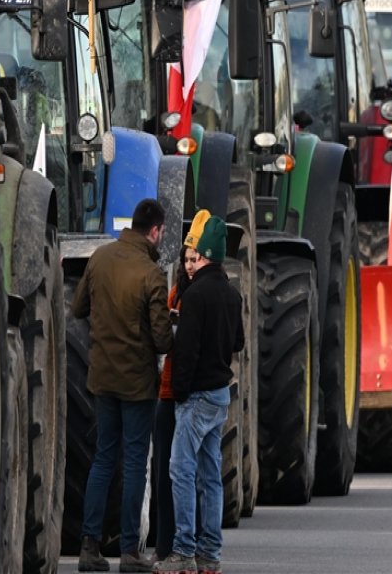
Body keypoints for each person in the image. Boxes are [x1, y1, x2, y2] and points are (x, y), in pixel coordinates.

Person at [72, 199, 174, 573]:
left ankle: (89, 546)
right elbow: (162, 340)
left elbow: (78, 307)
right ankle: (130, 551)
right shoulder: (151, 274)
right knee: (134, 464)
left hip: (102, 378)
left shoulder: (99, 258)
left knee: (102, 458)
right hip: (137, 385)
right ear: (155, 231)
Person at [153, 216, 244, 574]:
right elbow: (237, 342)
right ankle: (210, 553)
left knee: (180, 471)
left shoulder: (194, 295)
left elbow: (186, 351)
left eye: (195, 257)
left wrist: (178, 391)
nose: (190, 265)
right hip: (220, 395)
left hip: (195, 398)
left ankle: (184, 552)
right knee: (210, 476)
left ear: (204, 254)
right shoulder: (232, 294)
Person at [151, 211, 209, 562]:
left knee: (190, 473)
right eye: (187, 259)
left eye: (194, 259)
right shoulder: (177, 292)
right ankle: (165, 543)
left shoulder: (203, 296)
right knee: (165, 473)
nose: (189, 265)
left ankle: (190, 544)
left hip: (187, 393)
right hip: (168, 393)